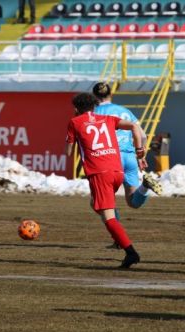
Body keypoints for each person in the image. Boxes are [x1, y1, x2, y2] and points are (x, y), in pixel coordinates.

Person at [65, 93, 144, 268]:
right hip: (117, 171)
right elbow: (134, 126)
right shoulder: (107, 119)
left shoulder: (75, 122)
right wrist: (140, 150)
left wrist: (70, 140)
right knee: (95, 204)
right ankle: (119, 234)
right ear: (94, 107)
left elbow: (69, 153)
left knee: (108, 217)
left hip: (100, 173)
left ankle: (130, 252)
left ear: (76, 109)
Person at [93, 82, 163, 211]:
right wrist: (141, 156)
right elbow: (142, 136)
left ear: (94, 96)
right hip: (130, 157)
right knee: (133, 202)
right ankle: (145, 186)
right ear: (111, 94)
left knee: (100, 201)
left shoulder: (93, 113)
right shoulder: (124, 111)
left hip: (110, 157)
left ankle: (115, 228)